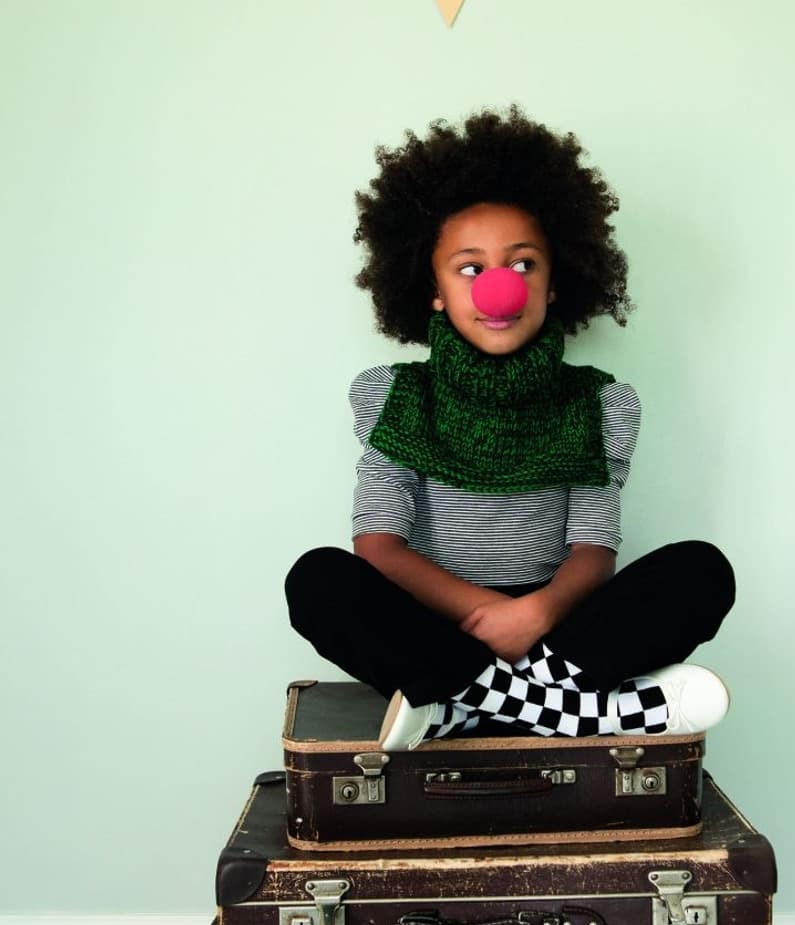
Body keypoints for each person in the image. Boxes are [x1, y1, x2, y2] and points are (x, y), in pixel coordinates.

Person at [285, 107, 735, 752]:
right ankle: (573, 710)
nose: (500, 288)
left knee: (701, 571)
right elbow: (378, 547)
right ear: (434, 289)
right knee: (318, 581)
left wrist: (533, 614)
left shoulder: (600, 403)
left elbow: (593, 551)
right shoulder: (394, 397)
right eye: (470, 269)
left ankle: (459, 706)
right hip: (436, 627)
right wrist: (483, 615)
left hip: (555, 625)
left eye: (523, 264)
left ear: (553, 285)